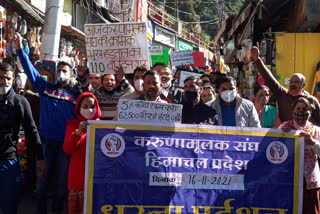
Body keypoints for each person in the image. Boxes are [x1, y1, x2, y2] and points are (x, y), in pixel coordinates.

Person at [15, 32, 81, 214]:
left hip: (66, 146)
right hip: (45, 144)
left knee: (61, 187)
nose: (61, 73)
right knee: (42, 185)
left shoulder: (76, 95)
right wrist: (20, 51)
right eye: (59, 70)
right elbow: (31, 72)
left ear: (71, 74)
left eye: (65, 71)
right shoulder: (45, 89)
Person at [0, 63, 43, 214]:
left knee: (9, 205)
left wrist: (40, 158)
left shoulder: (20, 102)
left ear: (13, 80)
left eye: (7, 78)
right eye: (0, 78)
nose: (4, 82)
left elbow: (32, 131)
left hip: (9, 160)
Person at [250, 43, 320, 125]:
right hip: (286, 136)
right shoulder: (282, 94)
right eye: (291, 81)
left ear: (303, 85)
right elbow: (269, 78)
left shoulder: (312, 100)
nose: (293, 84)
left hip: (305, 136)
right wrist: (257, 60)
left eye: (296, 82)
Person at [279, 97, 320, 213]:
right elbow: (272, 147)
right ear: (293, 111)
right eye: (298, 108)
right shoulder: (284, 128)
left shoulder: (316, 131)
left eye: (304, 109)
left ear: (310, 112)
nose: (301, 111)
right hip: (288, 180)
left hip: (310, 182)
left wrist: (313, 142)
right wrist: (281, 135)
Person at [63, 92, 101, 214]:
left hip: (97, 177)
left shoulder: (102, 125)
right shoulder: (72, 124)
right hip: (78, 176)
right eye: (85, 106)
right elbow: (67, 149)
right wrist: (78, 132)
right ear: (79, 108)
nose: (89, 110)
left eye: (92, 106)